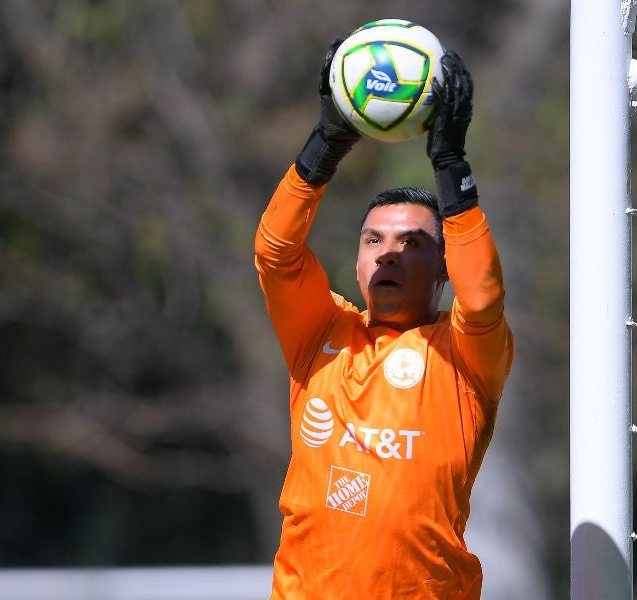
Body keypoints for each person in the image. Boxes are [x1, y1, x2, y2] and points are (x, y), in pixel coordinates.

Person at [254, 36, 514, 599]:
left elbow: (485, 296)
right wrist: (326, 141)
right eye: (374, 239)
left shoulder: (463, 355)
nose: (389, 252)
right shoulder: (321, 333)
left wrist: (450, 165)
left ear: (443, 268)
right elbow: (276, 253)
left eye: (411, 242)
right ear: (357, 258)